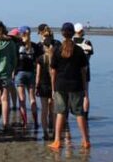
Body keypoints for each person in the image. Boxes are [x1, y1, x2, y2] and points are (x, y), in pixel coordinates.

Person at [48, 22, 91, 150]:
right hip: (76, 85)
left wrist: (53, 88)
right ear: (73, 33)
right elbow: (83, 70)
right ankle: (85, 141)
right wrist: (84, 88)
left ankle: (57, 141)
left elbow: (53, 71)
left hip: (60, 85)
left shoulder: (57, 50)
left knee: (60, 112)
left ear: (62, 33)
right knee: (79, 113)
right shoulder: (78, 50)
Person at [14, 26, 39, 130]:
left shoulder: (17, 45)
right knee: (32, 99)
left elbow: (15, 61)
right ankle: (36, 122)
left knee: (22, 99)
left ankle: (24, 123)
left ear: (20, 34)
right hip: (31, 73)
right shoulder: (35, 46)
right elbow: (38, 61)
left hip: (20, 73)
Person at [34, 27, 56, 140]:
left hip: (43, 85)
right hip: (53, 86)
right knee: (53, 110)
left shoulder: (40, 58)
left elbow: (37, 75)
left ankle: (45, 132)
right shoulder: (55, 58)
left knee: (44, 110)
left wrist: (36, 86)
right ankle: (54, 131)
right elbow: (55, 73)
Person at [73, 22, 94, 135]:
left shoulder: (70, 42)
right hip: (85, 70)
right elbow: (89, 56)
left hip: (72, 71)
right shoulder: (87, 42)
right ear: (81, 31)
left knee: (71, 94)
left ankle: (71, 115)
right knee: (85, 94)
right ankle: (85, 116)